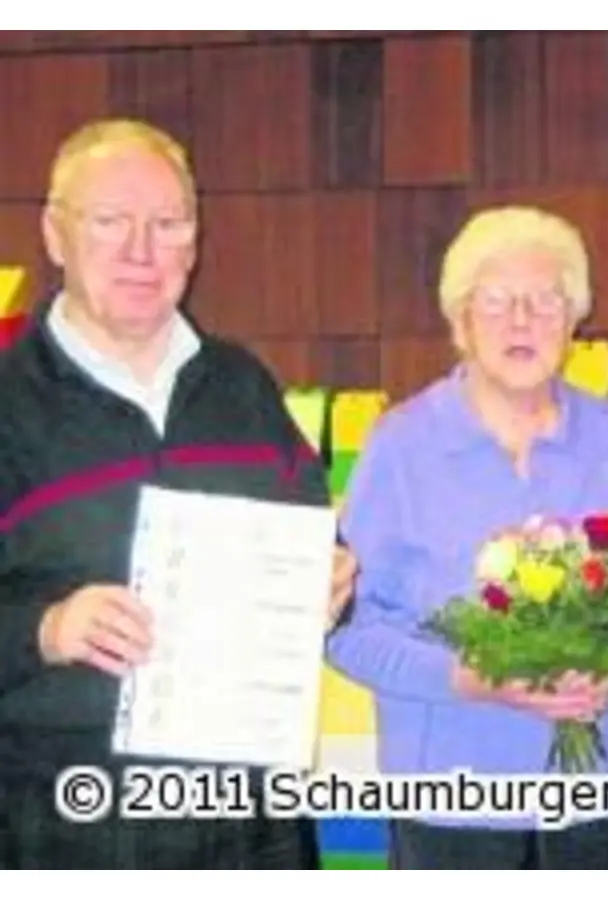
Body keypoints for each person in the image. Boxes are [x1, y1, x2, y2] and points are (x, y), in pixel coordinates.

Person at [0, 118, 356, 868]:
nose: (141, 250)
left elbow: (314, 545)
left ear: (194, 243)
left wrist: (331, 581)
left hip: (249, 816)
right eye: (111, 222)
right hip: (63, 819)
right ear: (55, 236)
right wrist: (46, 627)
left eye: (167, 224)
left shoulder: (243, 386)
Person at [326, 206, 608, 869]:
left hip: (593, 796)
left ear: (573, 322)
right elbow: (344, 631)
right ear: (460, 321)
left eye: (544, 301)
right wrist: (467, 678)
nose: (520, 321)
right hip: (450, 801)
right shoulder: (401, 446)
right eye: (496, 301)